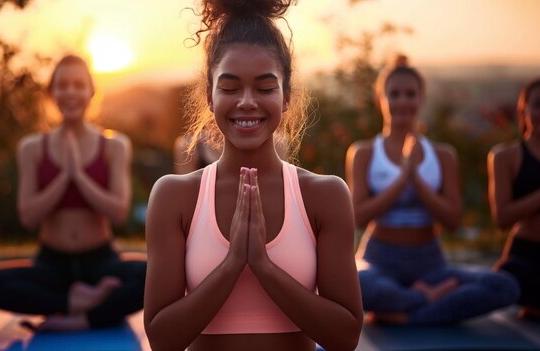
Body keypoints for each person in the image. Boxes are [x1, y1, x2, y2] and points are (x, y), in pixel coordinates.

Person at [144, 1, 363, 350]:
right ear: (210, 97)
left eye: (264, 88)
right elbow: (162, 339)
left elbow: (345, 336)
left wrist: (264, 267)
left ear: (286, 96)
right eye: (230, 88)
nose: (247, 101)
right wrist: (232, 266)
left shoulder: (325, 195)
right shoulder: (174, 196)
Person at [0, 55, 146, 331]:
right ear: (51, 93)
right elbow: (29, 217)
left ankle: (78, 318)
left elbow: (118, 213)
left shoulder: (114, 146)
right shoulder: (32, 148)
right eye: (62, 85)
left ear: (91, 92)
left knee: (152, 274)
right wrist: (64, 177)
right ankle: (74, 303)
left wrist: (79, 176)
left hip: (100, 261)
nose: (70, 93)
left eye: (78, 85)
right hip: (51, 264)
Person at [346, 55, 520, 325]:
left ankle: (401, 313)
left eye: (410, 94)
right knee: (356, 284)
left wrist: (416, 177)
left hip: (430, 263)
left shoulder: (442, 155)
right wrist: (403, 176)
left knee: (504, 286)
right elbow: (358, 218)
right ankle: (427, 301)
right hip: (379, 259)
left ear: (421, 98)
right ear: (380, 98)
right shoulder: (364, 153)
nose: (403, 101)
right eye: (395, 94)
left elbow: (452, 221)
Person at [490, 78, 540, 320]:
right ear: (524, 110)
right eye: (538, 105)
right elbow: (502, 218)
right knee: (505, 278)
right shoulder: (505, 157)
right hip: (525, 255)